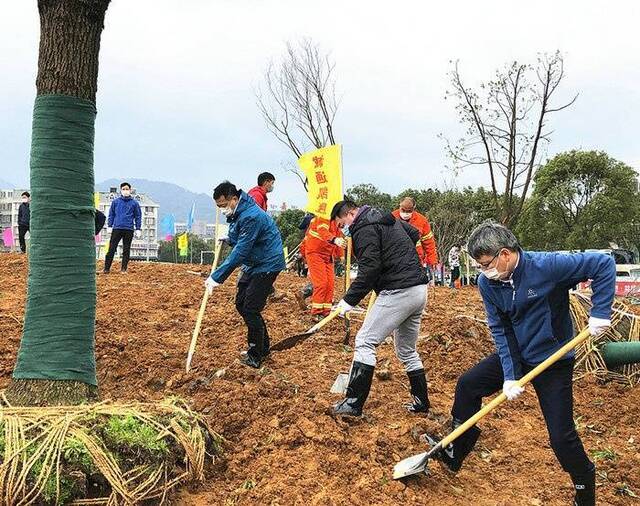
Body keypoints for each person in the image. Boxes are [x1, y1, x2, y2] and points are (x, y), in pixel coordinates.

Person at [427, 221, 614, 506]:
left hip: (553, 362)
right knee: (468, 385)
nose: (483, 271)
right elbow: (500, 329)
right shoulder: (487, 283)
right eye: (479, 266)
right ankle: (455, 452)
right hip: (518, 355)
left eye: (486, 264)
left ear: (505, 254)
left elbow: (602, 264)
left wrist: (600, 312)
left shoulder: (547, 267)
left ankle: (584, 490)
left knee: (561, 438)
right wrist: (510, 375)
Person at [330, 199, 431, 417]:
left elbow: (370, 269)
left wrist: (348, 300)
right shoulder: (384, 216)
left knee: (365, 341)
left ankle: (352, 404)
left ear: (349, 214)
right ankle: (421, 402)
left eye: (341, 224)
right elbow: (413, 234)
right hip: (419, 290)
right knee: (406, 350)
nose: (343, 230)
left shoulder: (363, 229)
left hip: (398, 290)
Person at [205, 181, 285, 368]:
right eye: (219, 207)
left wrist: (217, 277)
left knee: (251, 308)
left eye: (224, 205)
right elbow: (238, 236)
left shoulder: (251, 216)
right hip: (253, 263)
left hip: (267, 263)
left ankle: (256, 355)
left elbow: (241, 249)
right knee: (241, 303)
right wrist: (229, 238)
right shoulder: (239, 212)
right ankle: (263, 346)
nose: (223, 209)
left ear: (234, 199)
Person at [302, 215, 345, 320]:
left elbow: (340, 240)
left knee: (330, 283)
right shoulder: (324, 217)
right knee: (321, 283)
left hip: (327, 255)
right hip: (315, 253)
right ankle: (316, 313)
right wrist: (334, 240)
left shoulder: (337, 226)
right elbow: (323, 231)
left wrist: (342, 256)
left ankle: (326, 312)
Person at [104, 182, 142, 274]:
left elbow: (138, 216)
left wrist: (138, 228)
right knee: (112, 248)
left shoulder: (134, 203)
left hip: (128, 229)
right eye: (124, 189)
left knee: (126, 249)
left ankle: (124, 268)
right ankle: (106, 268)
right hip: (117, 228)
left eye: (127, 189)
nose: (125, 191)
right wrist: (109, 225)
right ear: (121, 190)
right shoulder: (115, 202)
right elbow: (111, 215)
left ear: (130, 190)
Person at [391, 197, 438, 269]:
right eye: (403, 210)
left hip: (416, 261)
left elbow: (429, 242)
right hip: (395, 260)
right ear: (399, 206)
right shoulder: (391, 218)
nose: (406, 213)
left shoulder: (422, 220)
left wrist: (432, 260)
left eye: (409, 211)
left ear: (413, 209)